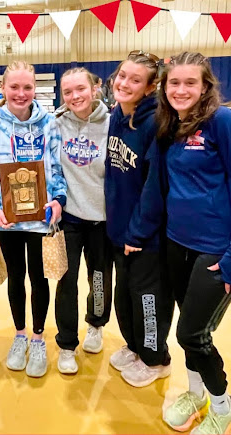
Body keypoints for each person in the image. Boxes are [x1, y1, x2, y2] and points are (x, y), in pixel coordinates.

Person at [0, 60, 67, 378]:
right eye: (15, 86)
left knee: (39, 278)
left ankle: (38, 339)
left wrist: (57, 199)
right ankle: (20, 334)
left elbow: (56, 168)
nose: (21, 93)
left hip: (40, 219)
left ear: (34, 89)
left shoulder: (50, 125)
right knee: (16, 277)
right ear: (3, 88)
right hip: (7, 220)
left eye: (28, 87)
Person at [154, 52, 231, 435]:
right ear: (164, 87)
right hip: (176, 244)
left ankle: (221, 406)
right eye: (174, 83)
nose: (181, 90)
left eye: (190, 83)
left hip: (215, 249)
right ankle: (196, 393)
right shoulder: (171, 125)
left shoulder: (222, 122)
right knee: (189, 328)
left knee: (191, 334)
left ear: (205, 87)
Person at [105, 50, 174, 388]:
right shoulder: (117, 115)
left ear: (149, 88)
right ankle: (135, 347)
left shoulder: (155, 122)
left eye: (135, 80)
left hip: (145, 235)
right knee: (126, 294)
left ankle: (155, 358)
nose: (125, 83)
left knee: (148, 297)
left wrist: (139, 231)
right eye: (122, 76)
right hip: (119, 229)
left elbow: (154, 186)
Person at [54, 67, 113, 374]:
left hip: (103, 220)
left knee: (100, 279)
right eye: (67, 92)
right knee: (66, 280)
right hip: (70, 218)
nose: (75, 96)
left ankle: (96, 324)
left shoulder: (113, 123)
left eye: (80, 89)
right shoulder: (57, 123)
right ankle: (66, 343)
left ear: (94, 88)